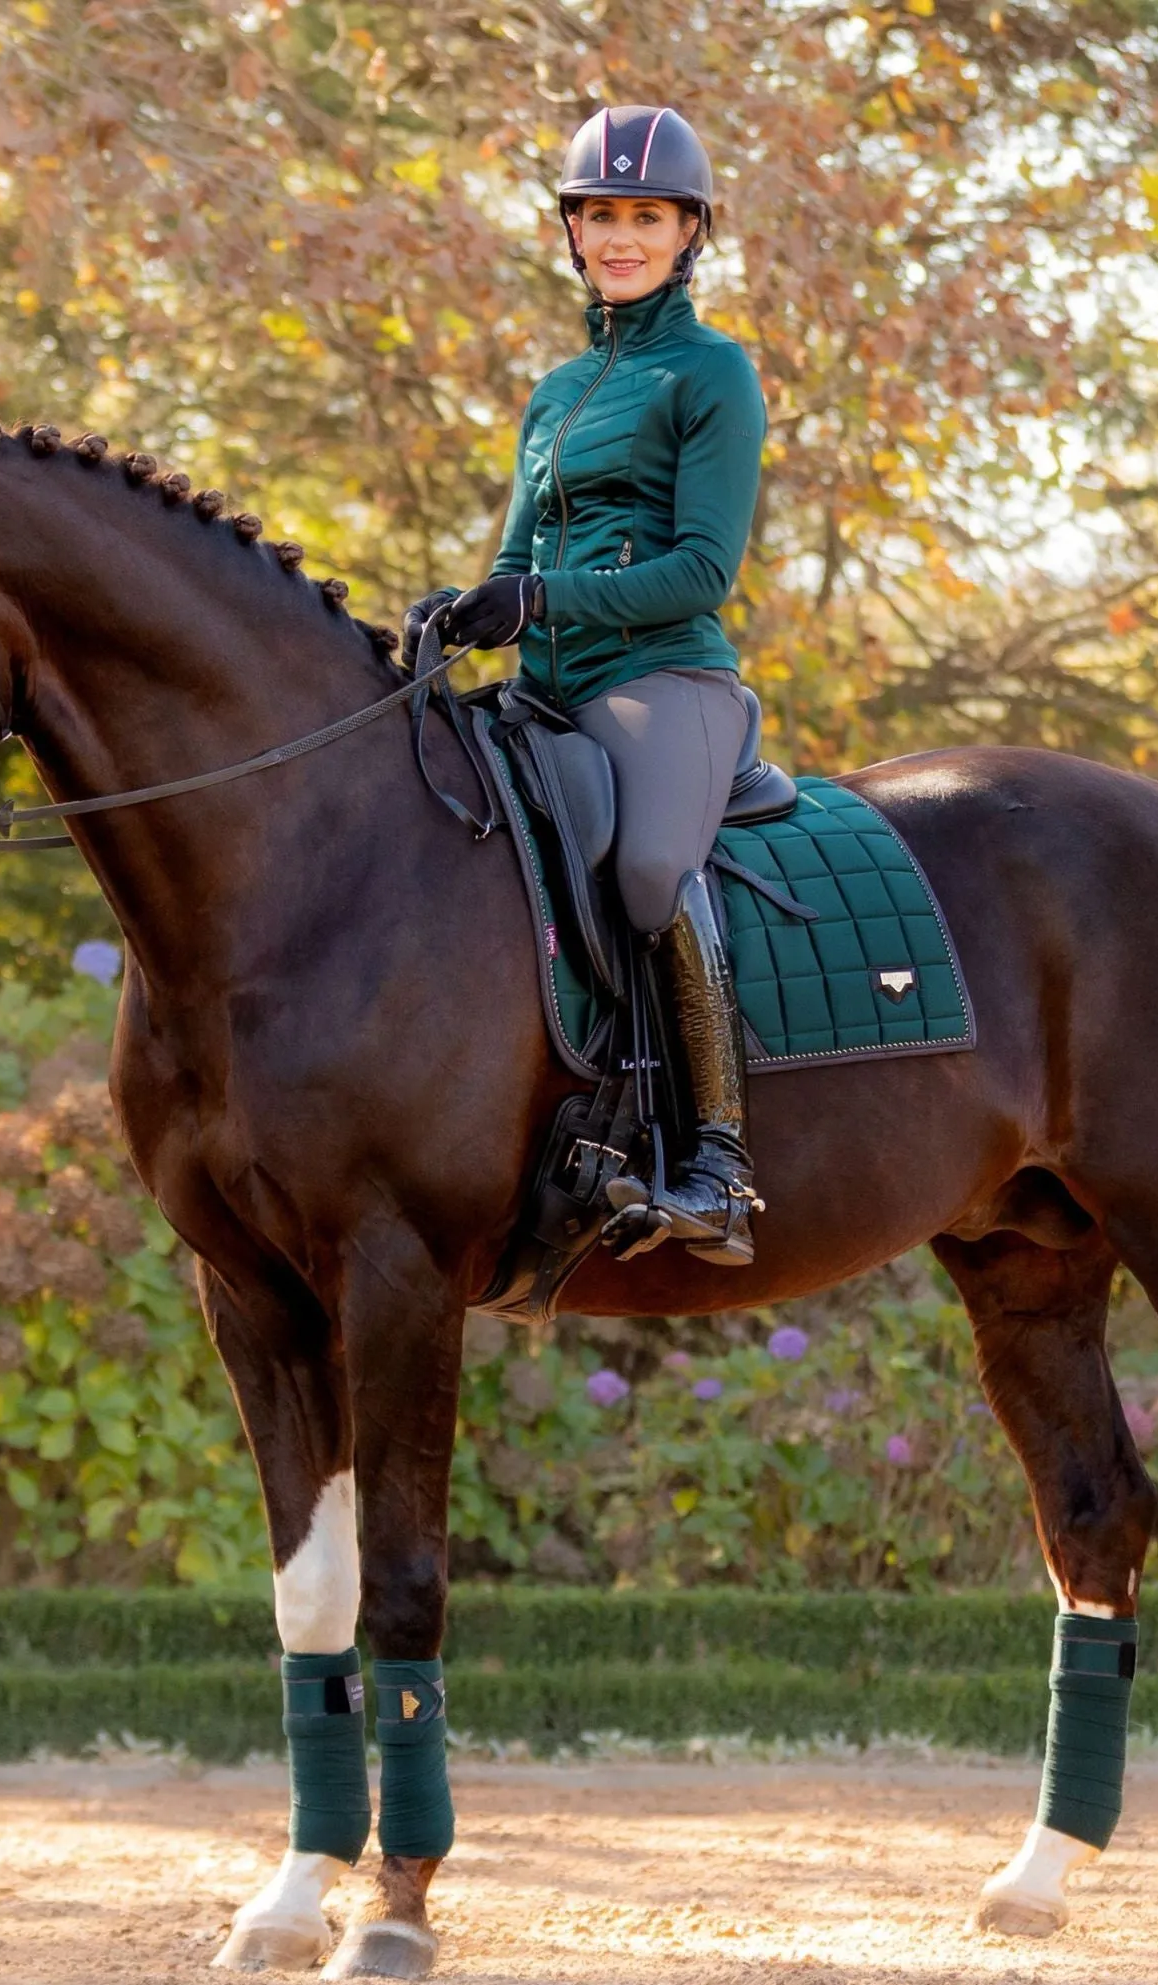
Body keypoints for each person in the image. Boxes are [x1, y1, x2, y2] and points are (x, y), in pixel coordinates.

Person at [406, 105, 768, 1266]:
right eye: (599, 215)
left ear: (686, 232)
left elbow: (702, 570)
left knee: (651, 865)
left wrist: (547, 605)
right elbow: (520, 555)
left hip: (665, 681)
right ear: (571, 233)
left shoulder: (710, 374)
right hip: (549, 693)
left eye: (644, 217)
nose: (620, 236)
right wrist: (467, 610)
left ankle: (714, 1157)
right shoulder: (555, 392)